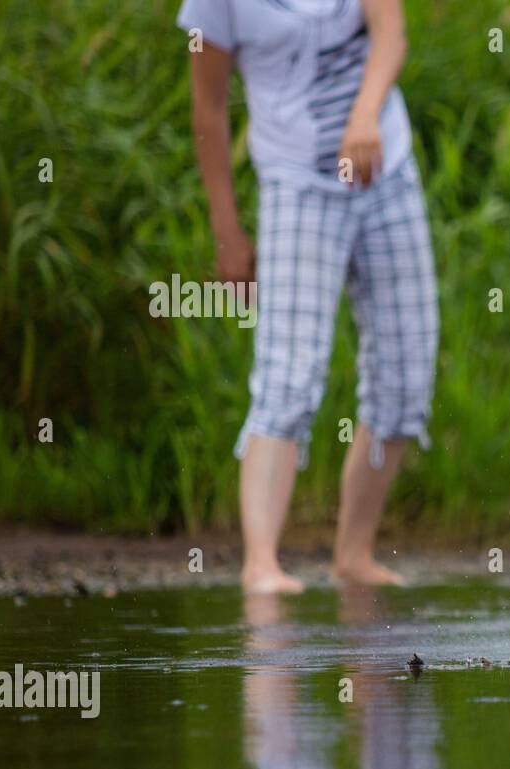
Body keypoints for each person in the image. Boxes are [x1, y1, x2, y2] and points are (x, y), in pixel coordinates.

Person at [180, 0, 438, 593]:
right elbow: (209, 107)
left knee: (406, 374)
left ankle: (354, 555)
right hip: (296, 184)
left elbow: (391, 33)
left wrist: (365, 113)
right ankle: (261, 564)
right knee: (289, 374)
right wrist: (227, 232)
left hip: (384, 168)